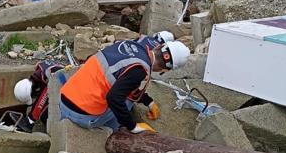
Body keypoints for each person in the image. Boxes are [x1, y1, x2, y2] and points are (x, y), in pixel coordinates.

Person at [58, 38, 190, 134]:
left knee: (124, 93)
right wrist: (132, 126)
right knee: (128, 102)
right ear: (165, 70)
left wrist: (148, 102)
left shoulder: (129, 45)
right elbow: (115, 97)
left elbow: (126, 82)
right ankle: (111, 133)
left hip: (64, 99)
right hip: (81, 115)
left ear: (158, 47)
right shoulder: (140, 70)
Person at [13, 57, 64, 132]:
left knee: (43, 113)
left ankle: (29, 122)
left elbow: (42, 99)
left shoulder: (46, 75)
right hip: (63, 80)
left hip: (68, 85)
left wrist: (32, 117)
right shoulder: (39, 68)